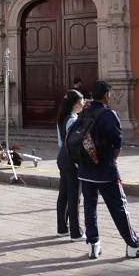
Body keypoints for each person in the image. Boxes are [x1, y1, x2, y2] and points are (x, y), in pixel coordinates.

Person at [77, 80, 139, 259]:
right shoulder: (108, 114)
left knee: (89, 207)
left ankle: (93, 245)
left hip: (85, 169)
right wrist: (111, 161)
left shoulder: (84, 112)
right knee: (119, 207)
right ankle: (133, 245)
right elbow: (117, 143)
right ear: (106, 95)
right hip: (105, 170)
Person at [54, 89, 85, 240]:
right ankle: (75, 232)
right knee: (74, 197)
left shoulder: (63, 118)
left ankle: (62, 227)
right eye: (82, 100)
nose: (84, 103)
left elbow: (61, 142)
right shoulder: (73, 120)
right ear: (76, 103)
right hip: (71, 160)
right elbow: (75, 144)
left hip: (62, 157)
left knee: (64, 194)